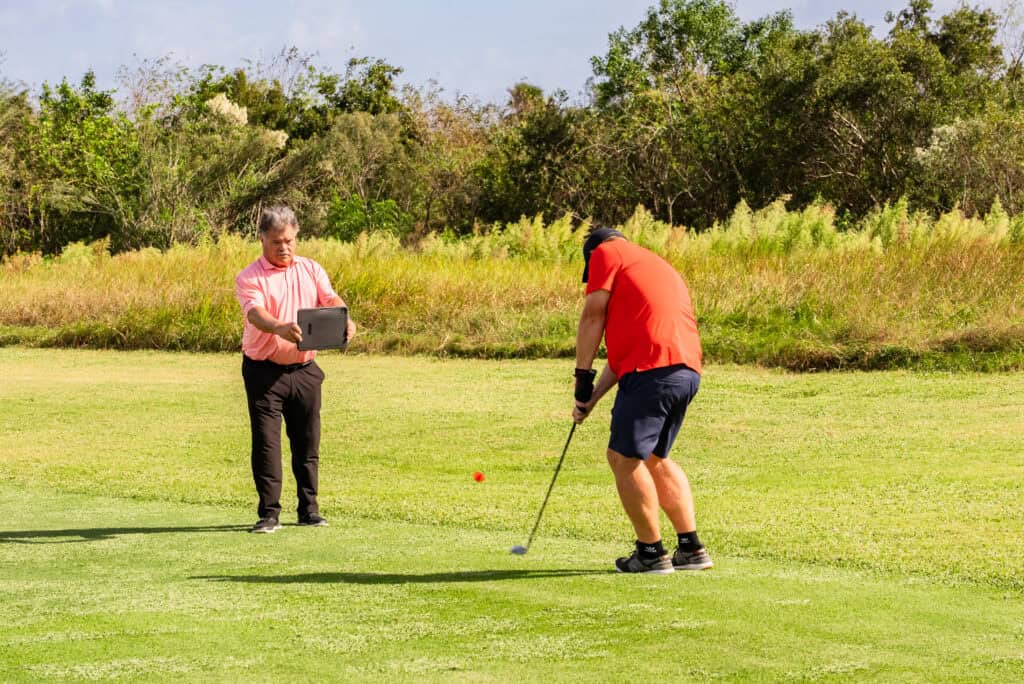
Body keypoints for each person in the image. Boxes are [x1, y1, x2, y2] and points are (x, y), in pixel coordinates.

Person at [572, 226, 712, 574]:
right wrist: (589, 399)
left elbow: (592, 315)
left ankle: (650, 553)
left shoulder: (606, 253)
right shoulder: (651, 263)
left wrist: (581, 375)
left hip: (651, 371)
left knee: (623, 458)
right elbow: (621, 362)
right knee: (654, 457)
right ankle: (691, 549)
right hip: (684, 370)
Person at [235, 205, 357, 534]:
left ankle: (309, 509)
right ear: (262, 239)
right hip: (264, 372)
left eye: (289, 240)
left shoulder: (311, 269)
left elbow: (329, 299)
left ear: (296, 237)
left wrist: (345, 319)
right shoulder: (250, 277)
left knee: (307, 442)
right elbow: (255, 314)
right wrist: (279, 327)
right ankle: (269, 514)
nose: (284, 247)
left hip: (305, 370)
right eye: (276, 242)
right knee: (267, 444)